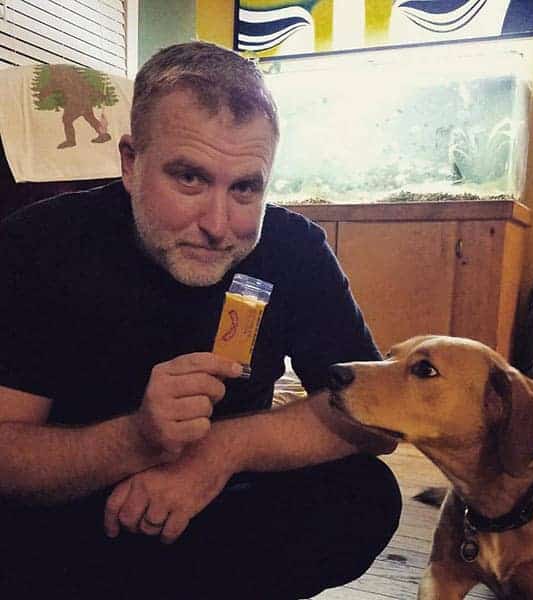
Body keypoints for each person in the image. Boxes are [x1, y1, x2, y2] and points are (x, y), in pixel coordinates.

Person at [0, 42, 401, 599]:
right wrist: (136, 441)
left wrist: (214, 456)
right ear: (130, 163)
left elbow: (378, 419)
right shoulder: (41, 245)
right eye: (189, 178)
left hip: (216, 504)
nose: (219, 224)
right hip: (73, 505)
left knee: (363, 494)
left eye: (245, 188)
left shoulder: (293, 250)